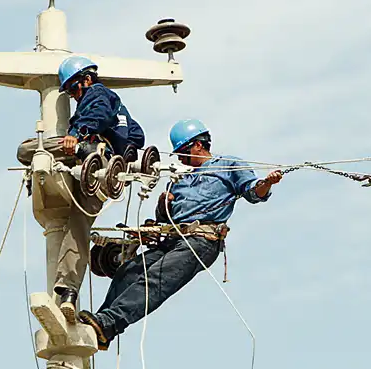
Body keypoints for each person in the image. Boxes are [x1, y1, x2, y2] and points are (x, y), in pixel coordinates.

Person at [77, 118, 283, 350]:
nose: (181, 159)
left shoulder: (227, 165)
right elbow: (165, 217)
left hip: (201, 240)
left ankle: (108, 323)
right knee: (129, 271)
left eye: (184, 153)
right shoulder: (180, 178)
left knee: (156, 278)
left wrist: (267, 182)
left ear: (198, 145)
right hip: (173, 239)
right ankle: (102, 327)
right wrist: (162, 206)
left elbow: (254, 192)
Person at [15, 56, 146, 322]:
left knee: (27, 150)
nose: (74, 96)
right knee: (78, 226)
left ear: (86, 79)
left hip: (90, 158)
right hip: (104, 173)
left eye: (74, 89)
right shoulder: (118, 106)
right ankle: (68, 295)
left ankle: (79, 150)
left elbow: (96, 112)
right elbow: (137, 137)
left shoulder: (98, 93)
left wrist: (79, 134)